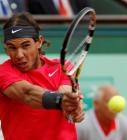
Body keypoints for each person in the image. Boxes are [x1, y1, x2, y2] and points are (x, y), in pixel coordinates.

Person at [0, 12, 84, 140]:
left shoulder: (62, 67)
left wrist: (74, 105)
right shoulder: (3, 72)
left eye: (25, 45)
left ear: (39, 42)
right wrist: (61, 101)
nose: (19, 55)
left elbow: (66, 91)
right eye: (12, 48)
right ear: (6, 49)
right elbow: (27, 94)